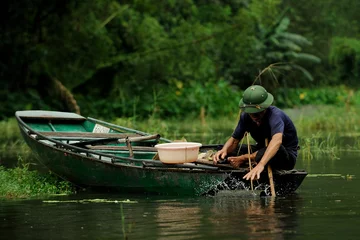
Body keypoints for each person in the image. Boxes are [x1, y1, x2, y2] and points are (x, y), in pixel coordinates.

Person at [213, 85, 299, 181]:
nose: (255, 116)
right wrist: (224, 150)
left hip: (284, 156)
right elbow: (234, 141)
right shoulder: (245, 117)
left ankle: (245, 159)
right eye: (252, 113)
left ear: (265, 107)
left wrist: (260, 164)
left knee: (277, 149)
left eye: (258, 113)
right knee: (221, 149)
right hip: (260, 150)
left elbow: (277, 142)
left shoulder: (275, 116)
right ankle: (245, 160)